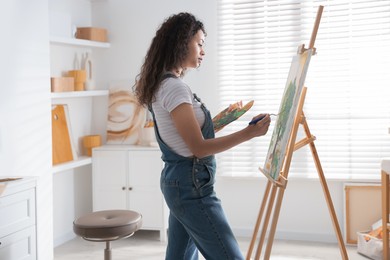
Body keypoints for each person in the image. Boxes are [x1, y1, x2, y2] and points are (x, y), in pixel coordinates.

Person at [134, 12, 271, 260]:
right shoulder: (174, 88)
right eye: (199, 43)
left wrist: (225, 118)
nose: (203, 51)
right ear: (181, 42)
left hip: (179, 183)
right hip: (191, 187)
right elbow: (198, 147)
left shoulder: (163, 84)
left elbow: (185, 136)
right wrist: (249, 133)